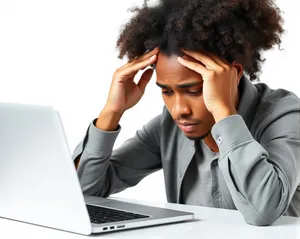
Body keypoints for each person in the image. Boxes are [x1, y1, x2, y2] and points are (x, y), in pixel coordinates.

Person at [73, 0, 300, 226]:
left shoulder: (284, 115)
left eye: (193, 90)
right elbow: (84, 191)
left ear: (234, 74)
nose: (179, 110)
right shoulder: (169, 127)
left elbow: (263, 211)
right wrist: (111, 113)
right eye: (167, 91)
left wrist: (224, 112)